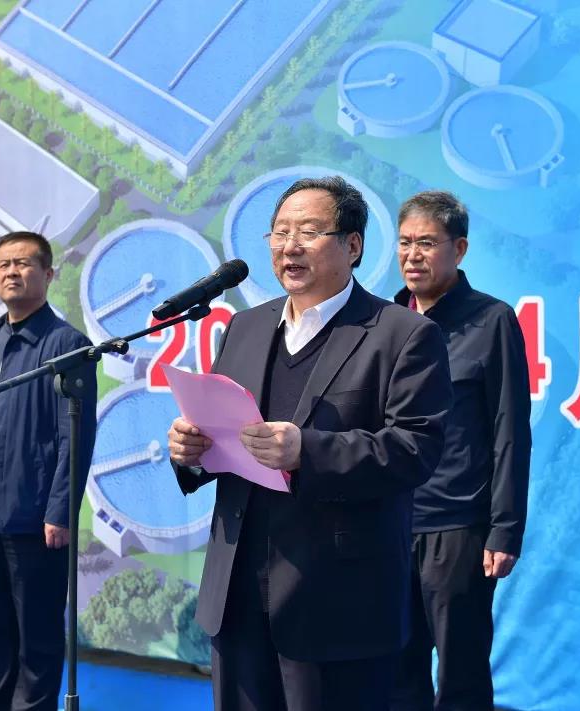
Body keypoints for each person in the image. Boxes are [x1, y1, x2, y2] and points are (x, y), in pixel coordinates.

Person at [167, 176, 453, 711]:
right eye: (279, 233)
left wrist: (307, 451)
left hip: (336, 602)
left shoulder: (402, 334)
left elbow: (416, 449)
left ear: (353, 245)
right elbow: (224, 438)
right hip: (237, 591)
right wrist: (192, 452)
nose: (289, 246)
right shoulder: (245, 327)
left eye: (308, 232)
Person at [389, 191, 531, 711]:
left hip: (459, 526)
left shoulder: (492, 320)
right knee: (392, 671)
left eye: (427, 243)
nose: (413, 256)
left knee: (461, 674)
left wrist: (504, 528)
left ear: (460, 248)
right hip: (390, 522)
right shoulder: (385, 321)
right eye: (405, 242)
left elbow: (510, 429)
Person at [0, 231, 96, 711]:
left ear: (48, 274)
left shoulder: (66, 344)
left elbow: (76, 435)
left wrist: (60, 510)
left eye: (23, 263)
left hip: (32, 514)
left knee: (37, 639)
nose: (12, 272)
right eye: (3, 264)